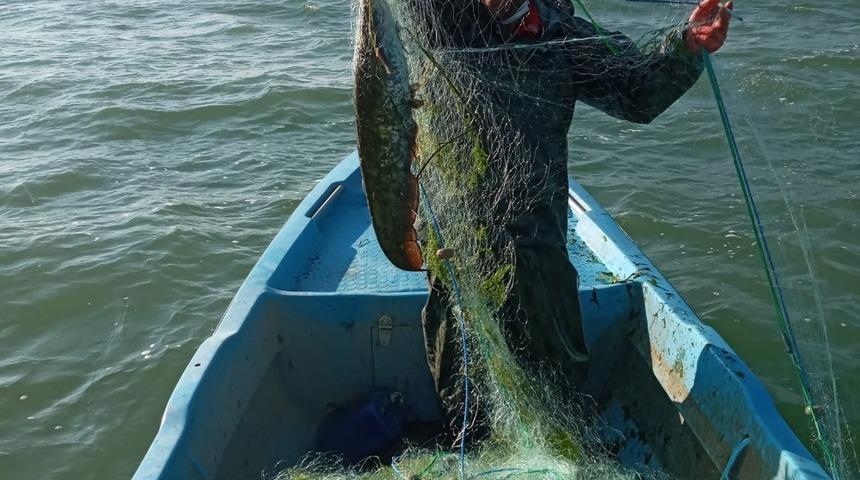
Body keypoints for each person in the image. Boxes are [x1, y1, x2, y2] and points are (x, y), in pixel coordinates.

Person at [412, 0, 733, 437]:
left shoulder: (561, 35)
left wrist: (685, 46)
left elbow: (636, 90)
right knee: (461, 378)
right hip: (455, 240)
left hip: (536, 241)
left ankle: (561, 446)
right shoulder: (438, 19)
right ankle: (468, 441)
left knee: (556, 383)